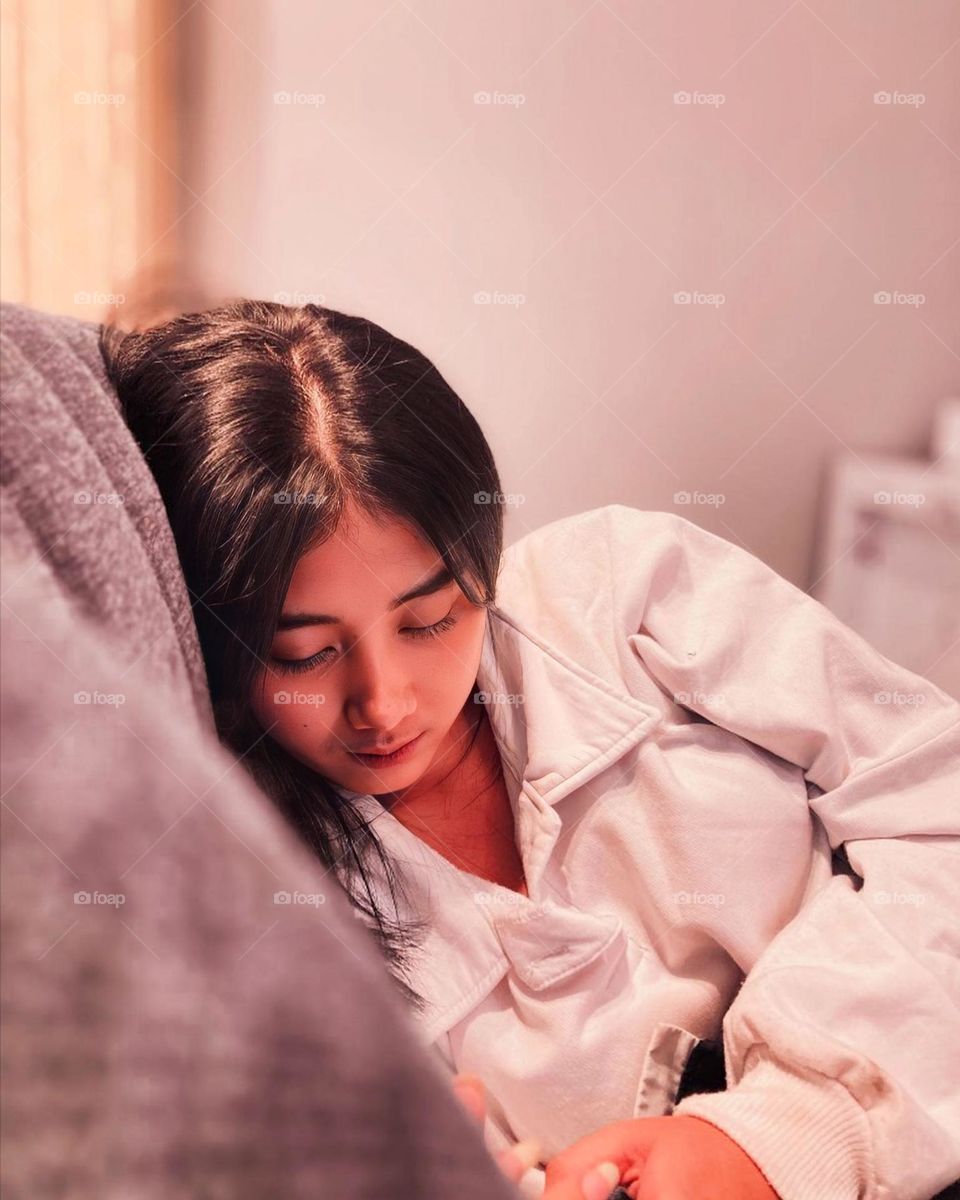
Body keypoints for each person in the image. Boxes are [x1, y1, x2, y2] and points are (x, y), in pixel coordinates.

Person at [99, 299, 960, 1200]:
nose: (384, 704)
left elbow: (932, 794)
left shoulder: (631, 594)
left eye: (431, 619)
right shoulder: (262, 911)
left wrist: (787, 1139)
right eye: (305, 653)